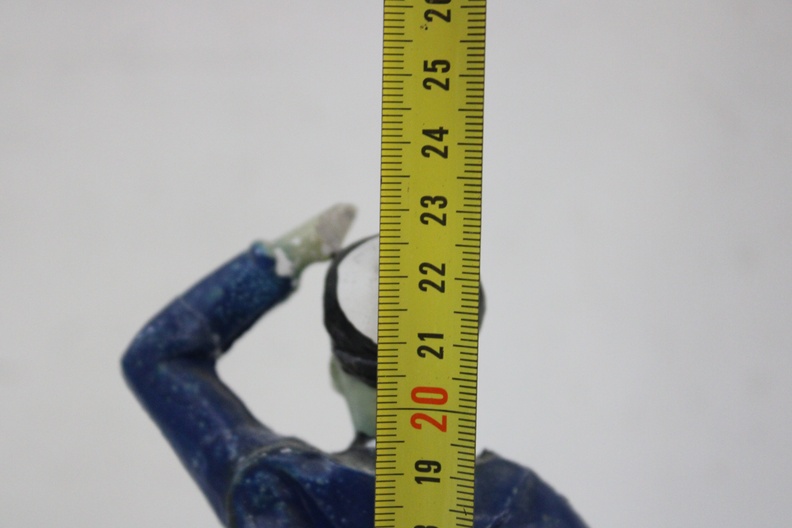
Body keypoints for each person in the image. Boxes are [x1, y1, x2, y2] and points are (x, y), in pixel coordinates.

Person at [122, 204, 588, 528]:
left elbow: (158, 358)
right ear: (461, 373)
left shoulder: (279, 485)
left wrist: (287, 256)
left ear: (334, 374)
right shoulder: (519, 499)